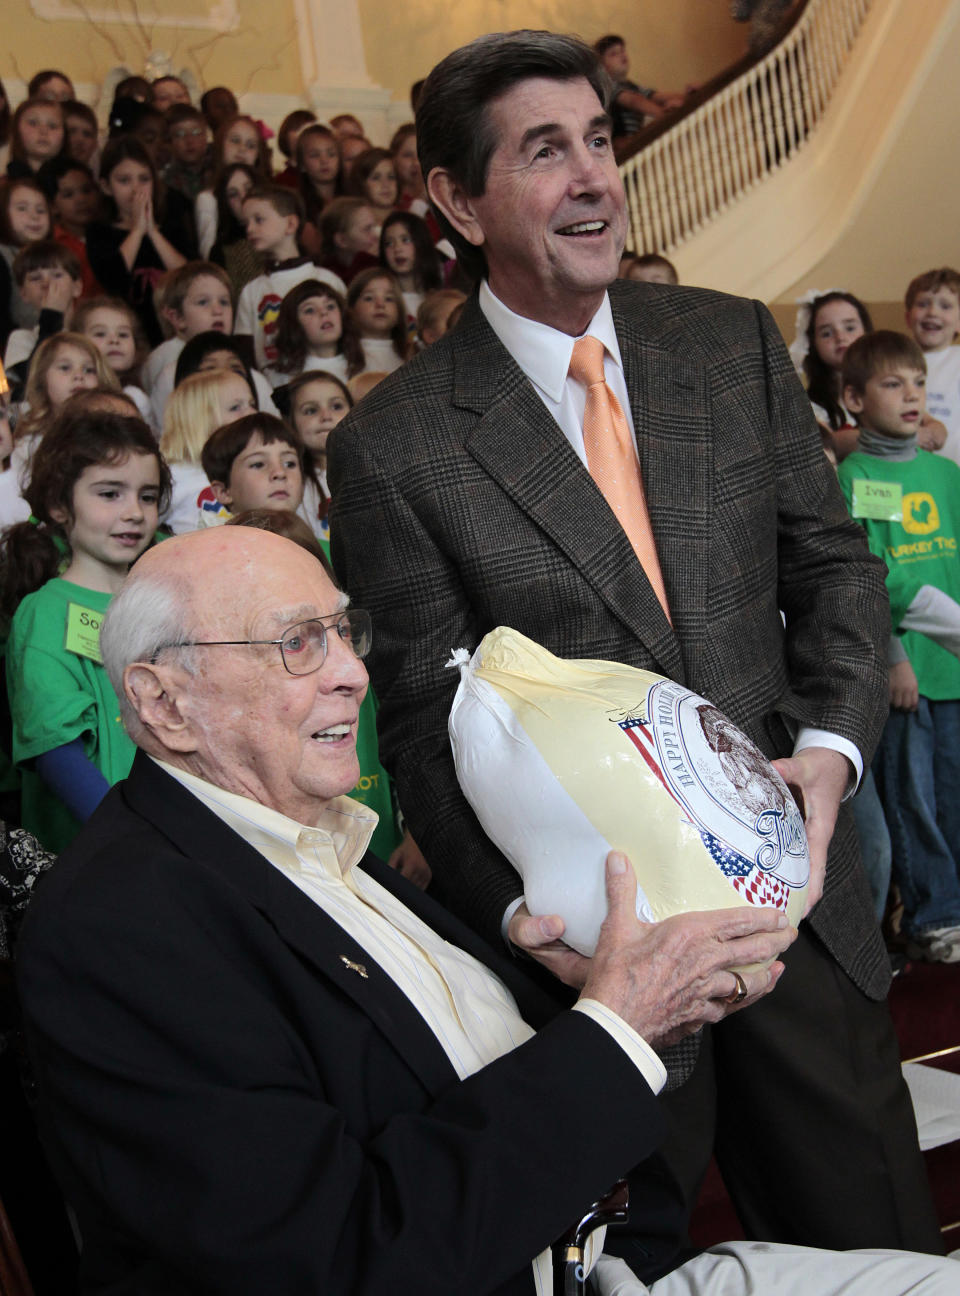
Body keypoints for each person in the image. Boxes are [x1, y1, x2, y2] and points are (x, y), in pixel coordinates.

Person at [327, 29, 941, 1254]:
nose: (596, 177)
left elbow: (833, 572)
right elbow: (420, 725)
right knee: (643, 1269)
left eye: (600, 140)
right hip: (604, 963)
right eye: (546, 151)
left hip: (799, 907)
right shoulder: (395, 446)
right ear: (456, 198)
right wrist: (522, 930)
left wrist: (829, 751)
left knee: (877, 1251)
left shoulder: (728, 344)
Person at [18, 524, 960, 1295]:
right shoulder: (119, 925)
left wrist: (624, 983)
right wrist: (618, 1028)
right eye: (298, 643)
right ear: (164, 704)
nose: (352, 673)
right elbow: (332, 1257)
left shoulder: (321, 842)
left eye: (346, 633)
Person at [837, 331, 960, 963]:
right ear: (853, 399)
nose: (911, 394)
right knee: (913, 801)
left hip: (953, 662)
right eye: (893, 383)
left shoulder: (944, 472)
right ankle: (931, 915)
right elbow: (864, 577)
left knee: (952, 791)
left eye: (917, 382)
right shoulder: (853, 477)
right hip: (905, 670)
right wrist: (894, 657)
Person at [1, 407, 168, 851]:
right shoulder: (45, 612)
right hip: (102, 855)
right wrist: (132, 844)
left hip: (176, 841)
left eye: (147, 496)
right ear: (59, 505)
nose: (134, 512)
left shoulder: (166, 602)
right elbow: (57, 753)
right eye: (110, 493)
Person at [234, 186, 346, 369]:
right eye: (246, 223)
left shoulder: (327, 280)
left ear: (291, 224)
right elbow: (246, 353)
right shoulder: (252, 290)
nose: (250, 229)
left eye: (259, 220)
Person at [904, 267, 960, 464]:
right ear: (908, 317)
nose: (932, 312)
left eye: (945, 306)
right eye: (923, 304)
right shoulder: (893, 360)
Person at [593, 35, 687, 141]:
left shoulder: (631, 86)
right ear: (602, 66)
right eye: (614, 54)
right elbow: (634, 101)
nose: (621, 55)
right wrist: (663, 114)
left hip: (634, 138)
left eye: (622, 50)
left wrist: (686, 97)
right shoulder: (608, 86)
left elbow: (655, 96)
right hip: (622, 143)